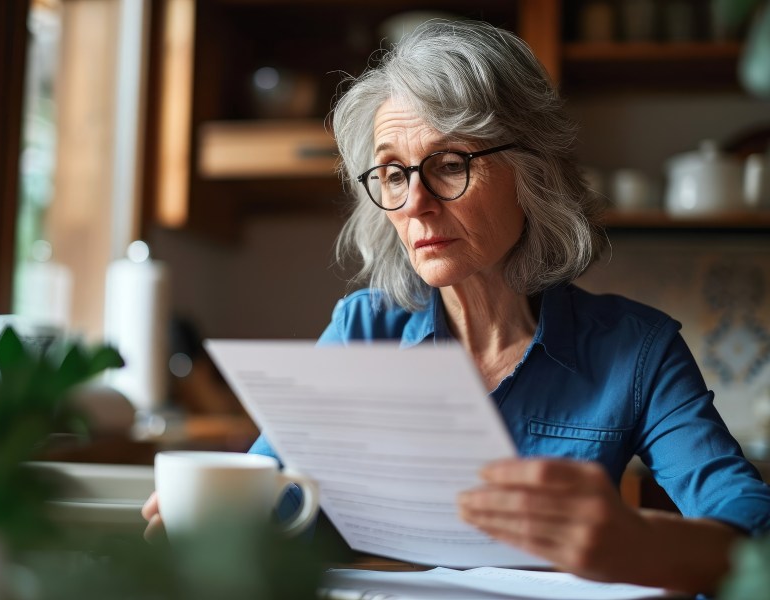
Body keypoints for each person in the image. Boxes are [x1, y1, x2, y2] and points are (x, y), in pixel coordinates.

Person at [143, 19, 770, 594]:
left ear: (533, 175)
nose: (414, 202)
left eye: (448, 165)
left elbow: (750, 527)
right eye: (392, 173)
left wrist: (638, 542)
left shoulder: (636, 349)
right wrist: (215, 517)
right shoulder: (364, 331)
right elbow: (270, 493)